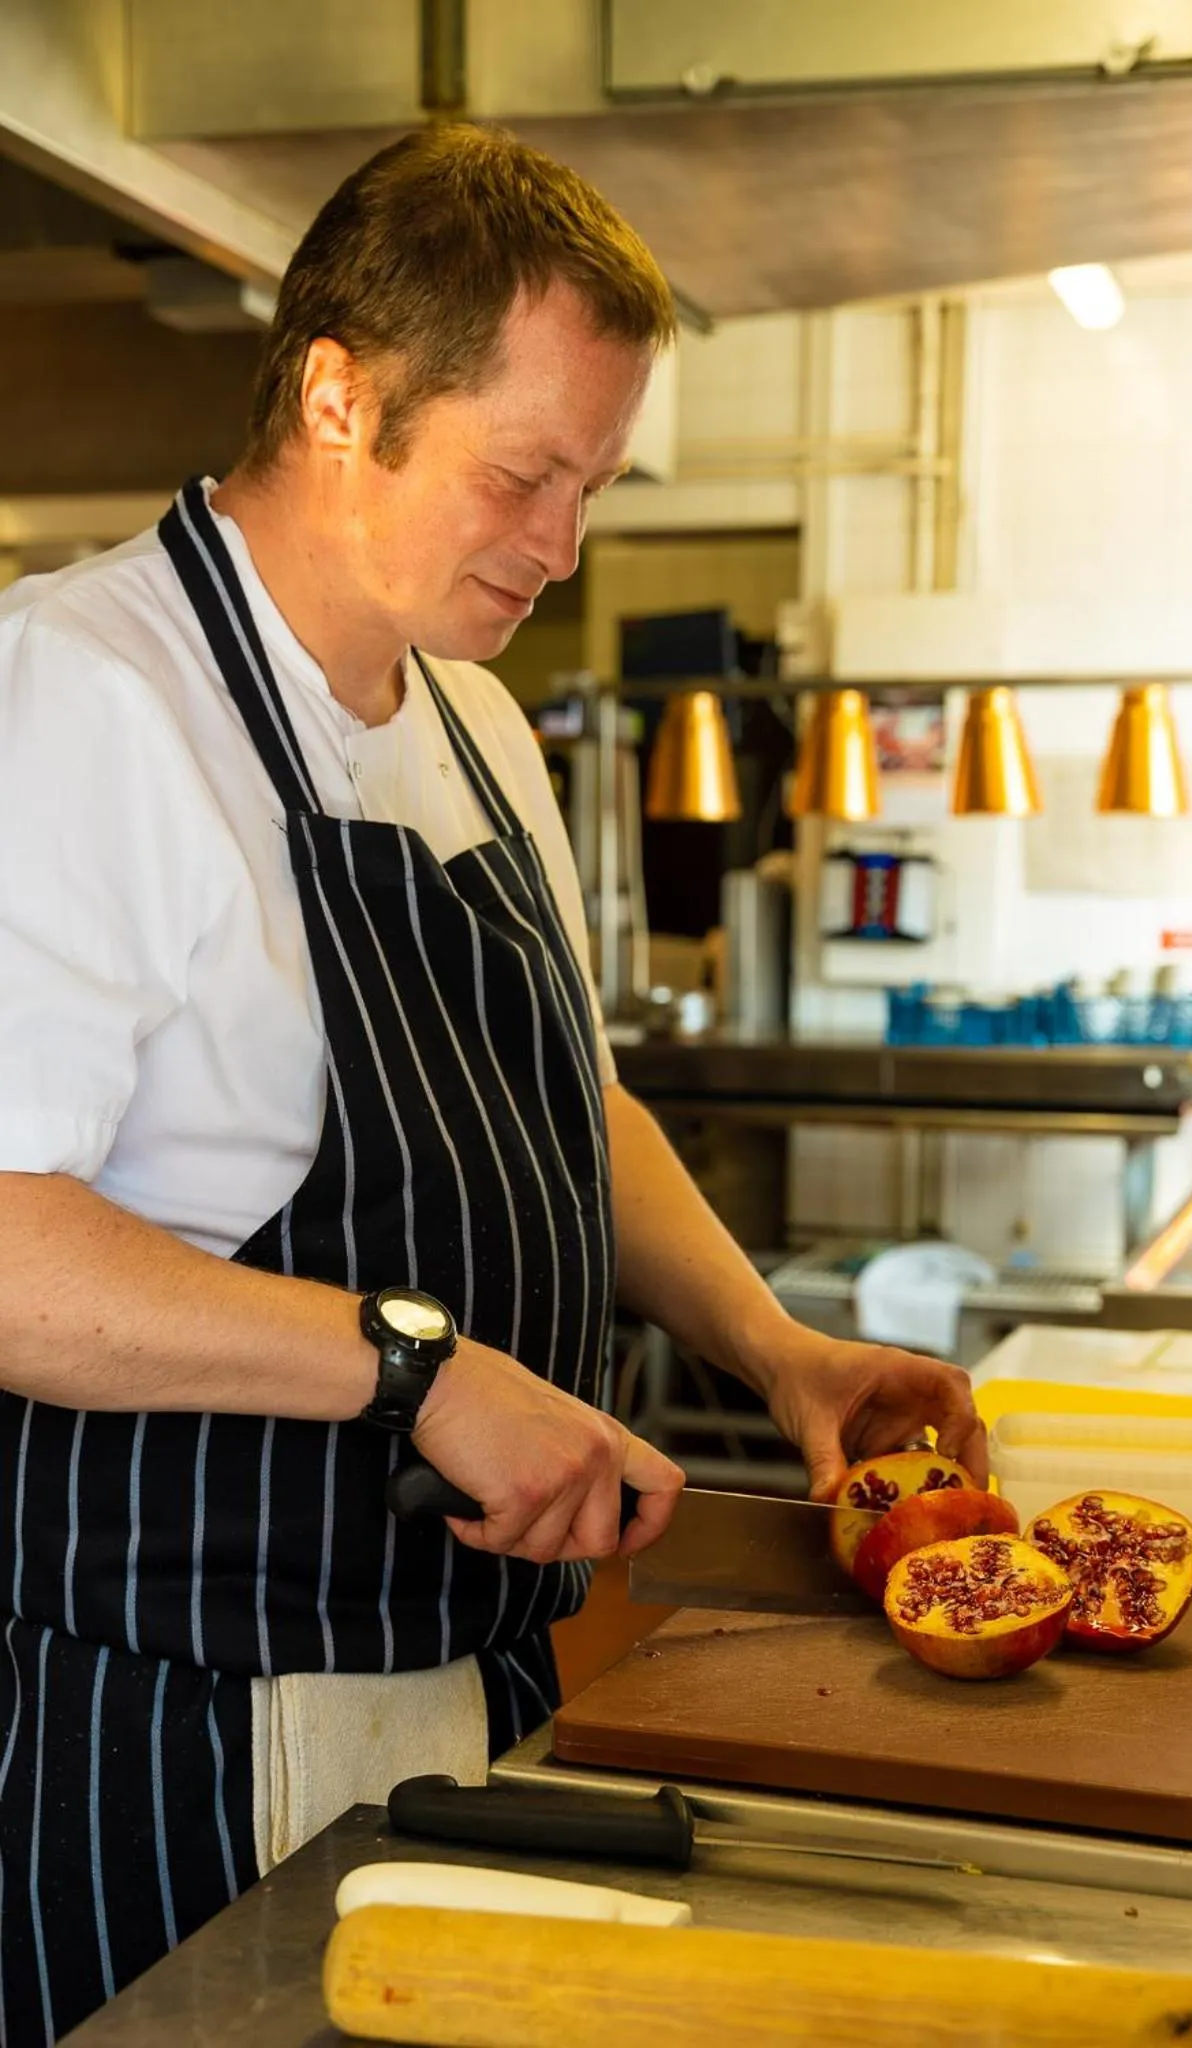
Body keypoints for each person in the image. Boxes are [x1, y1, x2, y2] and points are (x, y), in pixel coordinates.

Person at [0, 123, 986, 2042]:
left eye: (595, 484)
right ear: (339, 395)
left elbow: (565, 1116)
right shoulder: (80, 702)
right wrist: (421, 1370)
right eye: (522, 474)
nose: (562, 546)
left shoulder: (476, 719)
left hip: (481, 1697)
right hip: (193, 1725)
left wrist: (774, 1353)